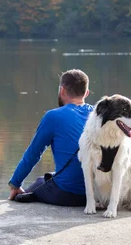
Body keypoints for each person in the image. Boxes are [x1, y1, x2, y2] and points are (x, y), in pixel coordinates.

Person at [8, 69, 93, 206]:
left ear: (62, 90)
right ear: (86, 93)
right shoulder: (98, 114)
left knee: (37, 184)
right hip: (98, 195)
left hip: (69, 194)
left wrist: (15, 184)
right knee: (49, 177)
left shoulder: (53, 116)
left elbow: (33, 154)